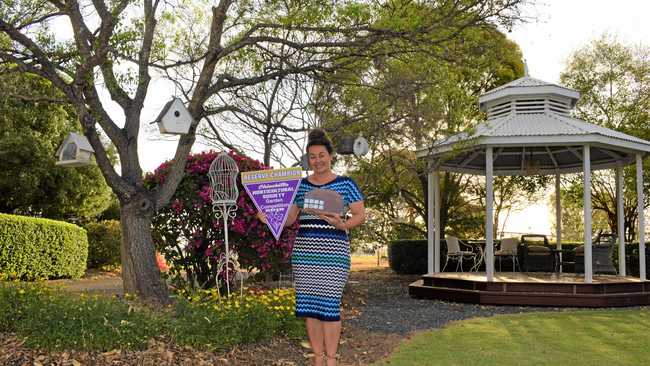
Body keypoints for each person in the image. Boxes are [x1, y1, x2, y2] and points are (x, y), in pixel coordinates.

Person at [258, 128, 365, 366]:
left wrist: (343, 223)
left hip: (335, 254)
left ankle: (331, 359)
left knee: (330, 306)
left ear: (330, 156)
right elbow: (290, 219)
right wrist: (269, 216)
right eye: (313, 156)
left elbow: (360, 215)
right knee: (309, 307)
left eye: (321, 155)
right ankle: (317, 358)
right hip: (305, 254)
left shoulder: (346, 184)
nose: (317, 160)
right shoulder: (301, 186)